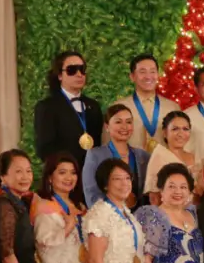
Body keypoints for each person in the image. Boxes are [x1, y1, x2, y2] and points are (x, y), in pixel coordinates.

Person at [34, 51, 104, 179]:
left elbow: (99, 143)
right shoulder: (47, 107)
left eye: (82, 69)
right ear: (60, 75)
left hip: (93, 175)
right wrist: (66, 171)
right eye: (72, 70)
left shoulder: (93, 106)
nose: (79, 74)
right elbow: (45, 148)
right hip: (64, 177)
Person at [82, 104, 151, 208]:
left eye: (128, 122)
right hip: (107, 215)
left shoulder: (143, 156)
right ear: (107, 127)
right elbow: (91, 194)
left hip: (139, 215)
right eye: (118, 122)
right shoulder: (95, 155)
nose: (124, 127)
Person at [110, 54, 181, 152]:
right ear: (132, 76)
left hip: (165, 161)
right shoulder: (118, 107)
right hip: (129, 161)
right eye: (142, 72)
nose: (148, 76)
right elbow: (108, 145)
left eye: (152, 71)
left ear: (158, 75)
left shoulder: (172, 107)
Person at [145, 111, 204, 204]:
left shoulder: (194, 158)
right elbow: (154, 198)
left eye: (185, 129)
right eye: (175, 129)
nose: (181, 134)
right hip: (169, 211)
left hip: (196, 210)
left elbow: (201, 191)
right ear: (165, 133)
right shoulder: (160, 156)